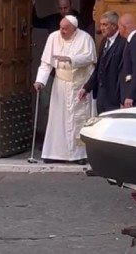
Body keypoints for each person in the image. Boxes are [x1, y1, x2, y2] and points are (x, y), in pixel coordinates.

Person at [33, 15, 96, 164]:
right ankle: (55, 153)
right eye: (61, 28)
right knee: (58, 121)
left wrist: (71, 59)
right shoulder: (53, 37)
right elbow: (46, 63)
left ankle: (79, 155)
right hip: (60, 85)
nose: (62, 31)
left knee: (78, 121)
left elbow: (90, 58)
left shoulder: (85, 38)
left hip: (79, 85)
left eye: (65, 29)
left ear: (74, 29)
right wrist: (40, 81)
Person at [79, 11, 126, 113]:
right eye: (101, 25)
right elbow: (99, 68)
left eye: (105, 25)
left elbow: (124, 73)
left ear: (114, 26)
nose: (102, 28)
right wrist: (86, 88)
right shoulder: (104, 41)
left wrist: (123, 98)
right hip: (101, 96)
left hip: (115, 97)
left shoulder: (123, 44)